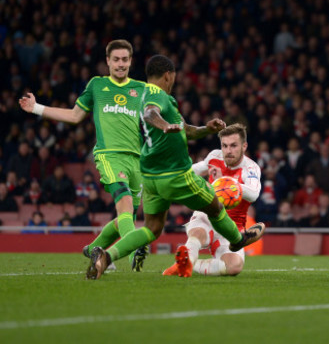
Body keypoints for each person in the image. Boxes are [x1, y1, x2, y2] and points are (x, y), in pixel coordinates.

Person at [85, 55, 264, 280]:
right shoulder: (157, 95)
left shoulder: (142, 96)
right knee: (216, 205)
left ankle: (105, 256)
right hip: (175, 173)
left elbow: (186, 129)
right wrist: (164, 125)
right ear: (169, 76)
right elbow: (151, 113)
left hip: (150, 176)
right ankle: (239, 240)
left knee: (151, 228)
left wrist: (206, 129)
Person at [19, 39, 149, 271]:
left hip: (136, 159)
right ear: (107, 61)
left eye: (125, 60)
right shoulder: (97, 86)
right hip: (109, 155)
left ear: (131, 61)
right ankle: (131, 253)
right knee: (125, 204)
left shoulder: (141, 89)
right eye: (116, 59)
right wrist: (37, 108)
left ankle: (93, 250)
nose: (120, 64)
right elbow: (75, 116)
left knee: (125, 217)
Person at [163, 123, 262, 277]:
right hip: (207, 215)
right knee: (198, 233)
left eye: (234, 146)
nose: (228, 151)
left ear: (244, 146)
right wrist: (174, 172)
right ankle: (187, 261)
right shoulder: (215, 156)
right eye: (225, 145)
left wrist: (226, 184)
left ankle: (188, 263)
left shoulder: (251, 168)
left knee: (233, 267)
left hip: (230, 229)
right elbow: (194, 170)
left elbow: (254, 193)